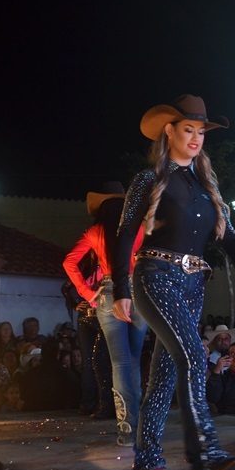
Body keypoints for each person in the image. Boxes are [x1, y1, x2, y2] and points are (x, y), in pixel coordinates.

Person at [112, 95, 235, 470]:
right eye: (188, 130)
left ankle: (147, 461)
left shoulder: (207, 187)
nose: (196, 138)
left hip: (195, 284)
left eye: (201, 132)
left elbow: (229, 236)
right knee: (195, 356)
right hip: (155, 276)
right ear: (170, 131)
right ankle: (207, 452)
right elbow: (125, 234)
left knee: (165, 375)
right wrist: (120, 288)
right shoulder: (149, 180)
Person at [63, 185, 147, 446]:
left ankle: (126, 428)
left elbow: (69, 262)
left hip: (109, 294)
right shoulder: (139, 227)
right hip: (138, 293)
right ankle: (141, 426)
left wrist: (88, 293)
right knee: (134, 360)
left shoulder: (94, 232)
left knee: (119, 363)